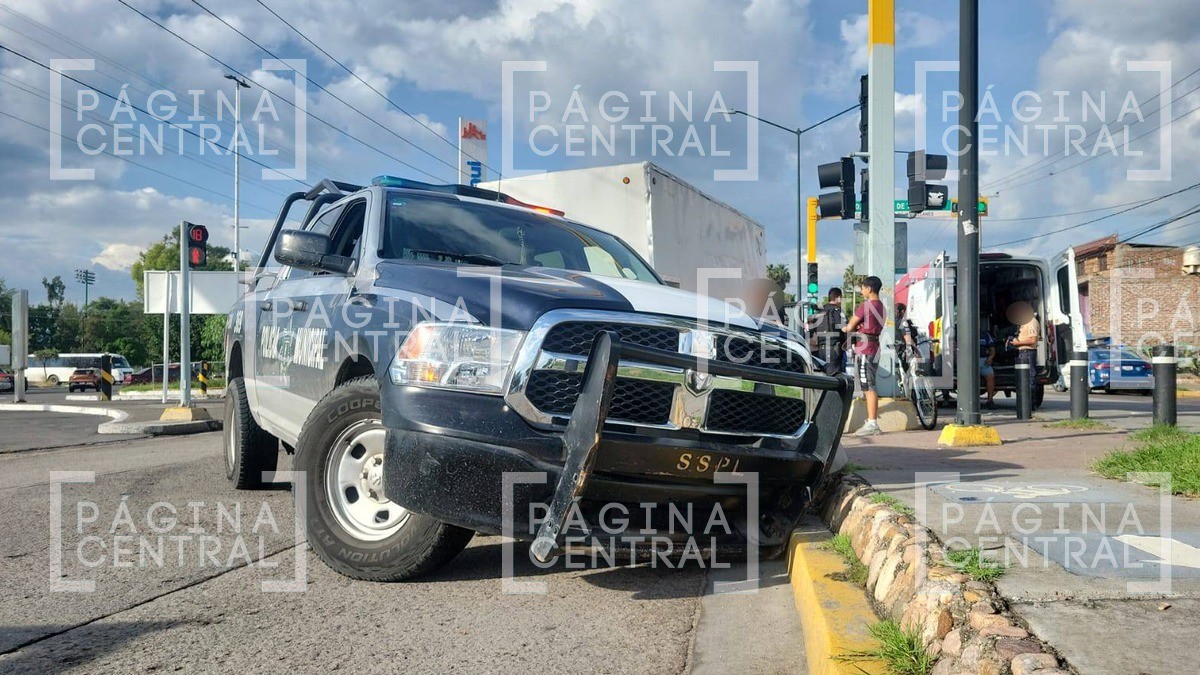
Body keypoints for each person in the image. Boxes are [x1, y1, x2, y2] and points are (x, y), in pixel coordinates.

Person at [843, 276, 885, 436]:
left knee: (868, 385)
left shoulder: (866, 306)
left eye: (862, 288)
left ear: (869, 288)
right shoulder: (881, 306)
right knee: (869, 383)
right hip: (874, 346)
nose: (861, 291)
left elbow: (850, 325)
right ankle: (871, 421)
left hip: (865, 348)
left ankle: (872, 423)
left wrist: (846, 329)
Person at [1006, 301, 1040, 409]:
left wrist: (1017, 343)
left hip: (1028, 352)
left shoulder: (1031, 322)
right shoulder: (1024, 322)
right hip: (1023, 352)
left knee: (1029, 379)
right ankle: (1025, 405)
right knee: (1024, 379)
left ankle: (1030, 405)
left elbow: (1033, 340)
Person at [809, 287, 846, 376]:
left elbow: (811, 334)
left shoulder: (818, 313)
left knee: (823, 377)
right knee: (835, 377)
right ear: (839, 297)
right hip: (834, 349)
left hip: (820, 351)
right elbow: (845, 329)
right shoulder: (838, 312)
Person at [980, 323, 997, 409]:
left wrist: (990, 357)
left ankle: (990, 400)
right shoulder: (962, 333)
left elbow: (992, 349)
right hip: (968, 361)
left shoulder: (985, 335)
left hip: (983, 360)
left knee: (990, 376)